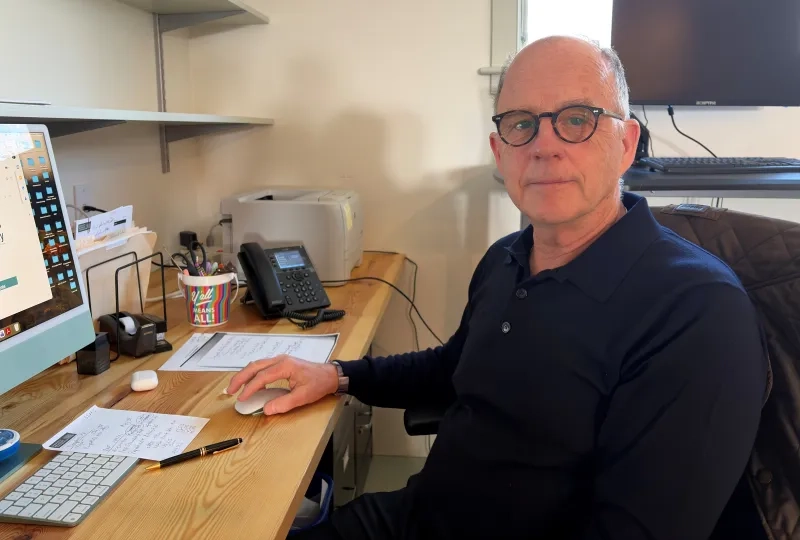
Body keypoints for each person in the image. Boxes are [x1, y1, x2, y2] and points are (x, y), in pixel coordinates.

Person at [227, 36, 768, 540]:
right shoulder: (506, 258)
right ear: (499, 149)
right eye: (521, 124)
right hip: (421, 515)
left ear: (626, 145)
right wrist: (336, 375)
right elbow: (455, 366)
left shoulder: (698, 311)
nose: (544, 146)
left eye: (576, 120)